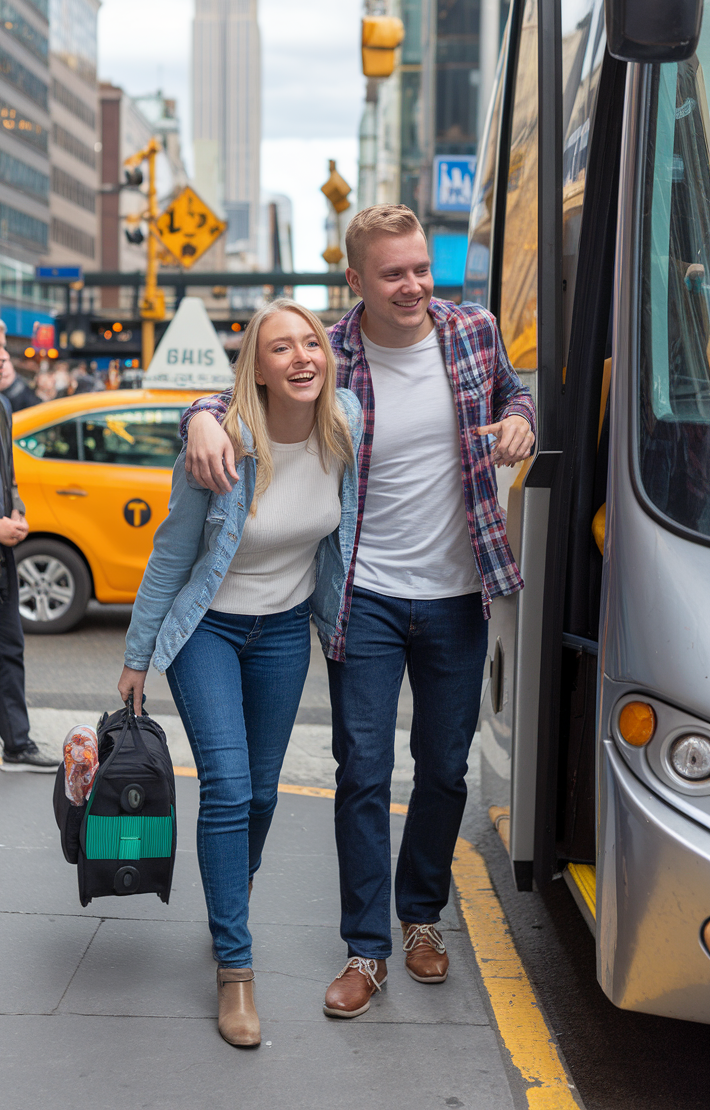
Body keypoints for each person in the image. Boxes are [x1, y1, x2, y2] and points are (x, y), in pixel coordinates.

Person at [180, 204, 536, 1019]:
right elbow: (235, 387)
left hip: (458, 594)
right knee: (362, 775)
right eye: (393, 273)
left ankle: (422, 920)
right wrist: (200, 416)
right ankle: (366, 949)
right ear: (355, 282)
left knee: (444, 770)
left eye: (420, 269)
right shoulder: (330, 349)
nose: (413, 285)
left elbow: (516, 392)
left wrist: (518, 419)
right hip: (363, 597)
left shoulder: (472, 332)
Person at [117, 300, 362, 1047]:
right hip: (208, 632)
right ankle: (236, 967)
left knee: (260, 792)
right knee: (226, 785)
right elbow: (169, 554)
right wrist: (136, 657)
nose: (301, 358)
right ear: (254, 366)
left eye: (311, 343)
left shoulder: (346, 421)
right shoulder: (220, 444)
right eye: (280, 347)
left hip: (287, 630)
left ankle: (232, 890)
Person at [0, 317, 58, 772]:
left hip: (0, 559)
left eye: (5, 347)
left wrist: (18, 509)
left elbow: (6, 476)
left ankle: (17, 747)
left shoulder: (1, 406)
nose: (5, 355)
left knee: (9, 649)